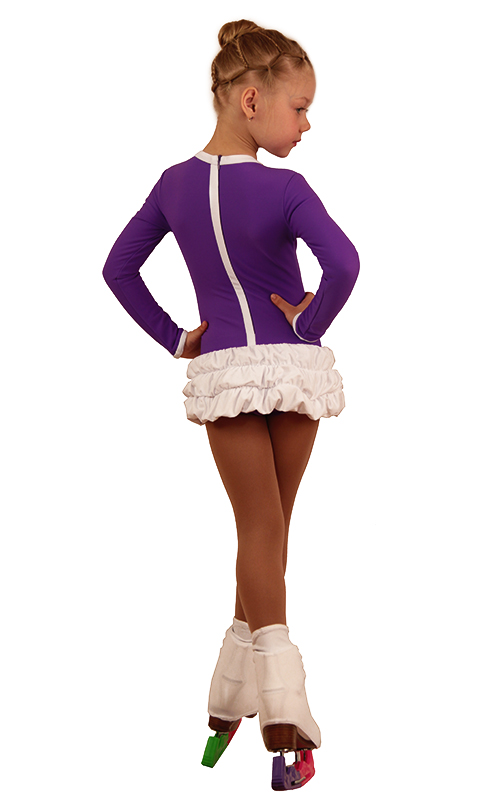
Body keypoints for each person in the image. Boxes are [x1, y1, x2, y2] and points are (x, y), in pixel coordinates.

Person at [102, 19, 360, 788]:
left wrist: (175, 338)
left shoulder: (173, 186)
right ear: (252, 100)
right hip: (292, 370)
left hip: (225, 373)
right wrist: (307, 322)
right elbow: (345, 263)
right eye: (300, 108)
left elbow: (118, 269)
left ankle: (228, 707)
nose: (307, 125)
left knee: (259, 534)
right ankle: (285, 724)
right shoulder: (284, 189)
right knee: (270, 534)